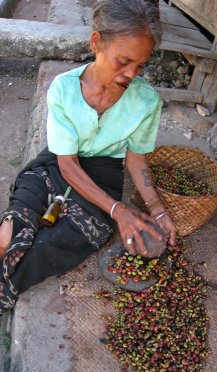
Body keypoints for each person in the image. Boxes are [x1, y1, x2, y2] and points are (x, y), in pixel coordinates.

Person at [0, 0, 176, 316]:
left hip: (103, 176)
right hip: (54, 165)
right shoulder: (64, 89)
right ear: (96, 43)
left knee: (48, 248)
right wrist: (119, 210)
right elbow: (66, 163)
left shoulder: (146, 101)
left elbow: (136, 161)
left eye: (140, 66)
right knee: (7, 238)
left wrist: (158, 209)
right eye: (124, 61)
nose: (131, 74)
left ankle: (5, 288)